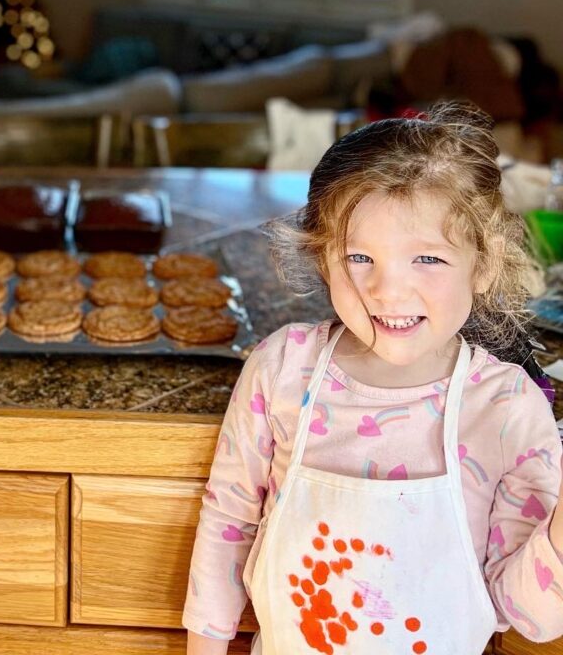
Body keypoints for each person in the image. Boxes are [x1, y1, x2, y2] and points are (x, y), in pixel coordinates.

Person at [184, 103, 563, 655]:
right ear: (322, 260)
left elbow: (524, 614)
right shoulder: (282, 369)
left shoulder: (506, 408)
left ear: (483, 264)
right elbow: (227, 524)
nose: (388, 291)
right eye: (359, 256)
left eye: (427, 259)